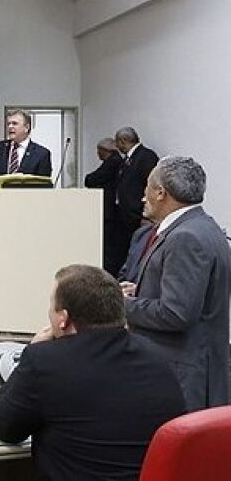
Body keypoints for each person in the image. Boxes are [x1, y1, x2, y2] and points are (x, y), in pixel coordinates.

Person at [0, 264, 185, 481]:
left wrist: (32, 351)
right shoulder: (157, 357)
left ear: (63, 318)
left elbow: (4, 427)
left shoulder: (45, 361)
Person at [120, 156, 230, 411]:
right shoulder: (204, 227)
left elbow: (176, 313)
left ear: (161, 193)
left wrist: (123, 304)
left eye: (147, 187)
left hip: (182, 378)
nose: (142, 196)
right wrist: (143, 290)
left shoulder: (185, 237)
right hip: (194, 372)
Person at [110, 127, 159, 279]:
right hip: (123, 215)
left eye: (117, 142)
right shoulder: (127, 159)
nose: (116, 146)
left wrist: (143, 210)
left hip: (136, 216)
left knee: (135, 252)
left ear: (123, 141)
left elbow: (150, 184)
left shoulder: (146, 156)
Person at [84, 137, 124, 274]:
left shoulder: (113, 162)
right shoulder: (117, 161)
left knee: (109, 247)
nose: (97, 154)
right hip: (111, 210)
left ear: (104, 150)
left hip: (110, 211)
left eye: (98, 150)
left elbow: (92, 179)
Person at [0, 109, 52, 181]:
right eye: (8, 124)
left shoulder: (42, 154)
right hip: (1, 192)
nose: (10, 126)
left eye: (14, 123)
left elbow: (44, 184)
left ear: (26, 127)